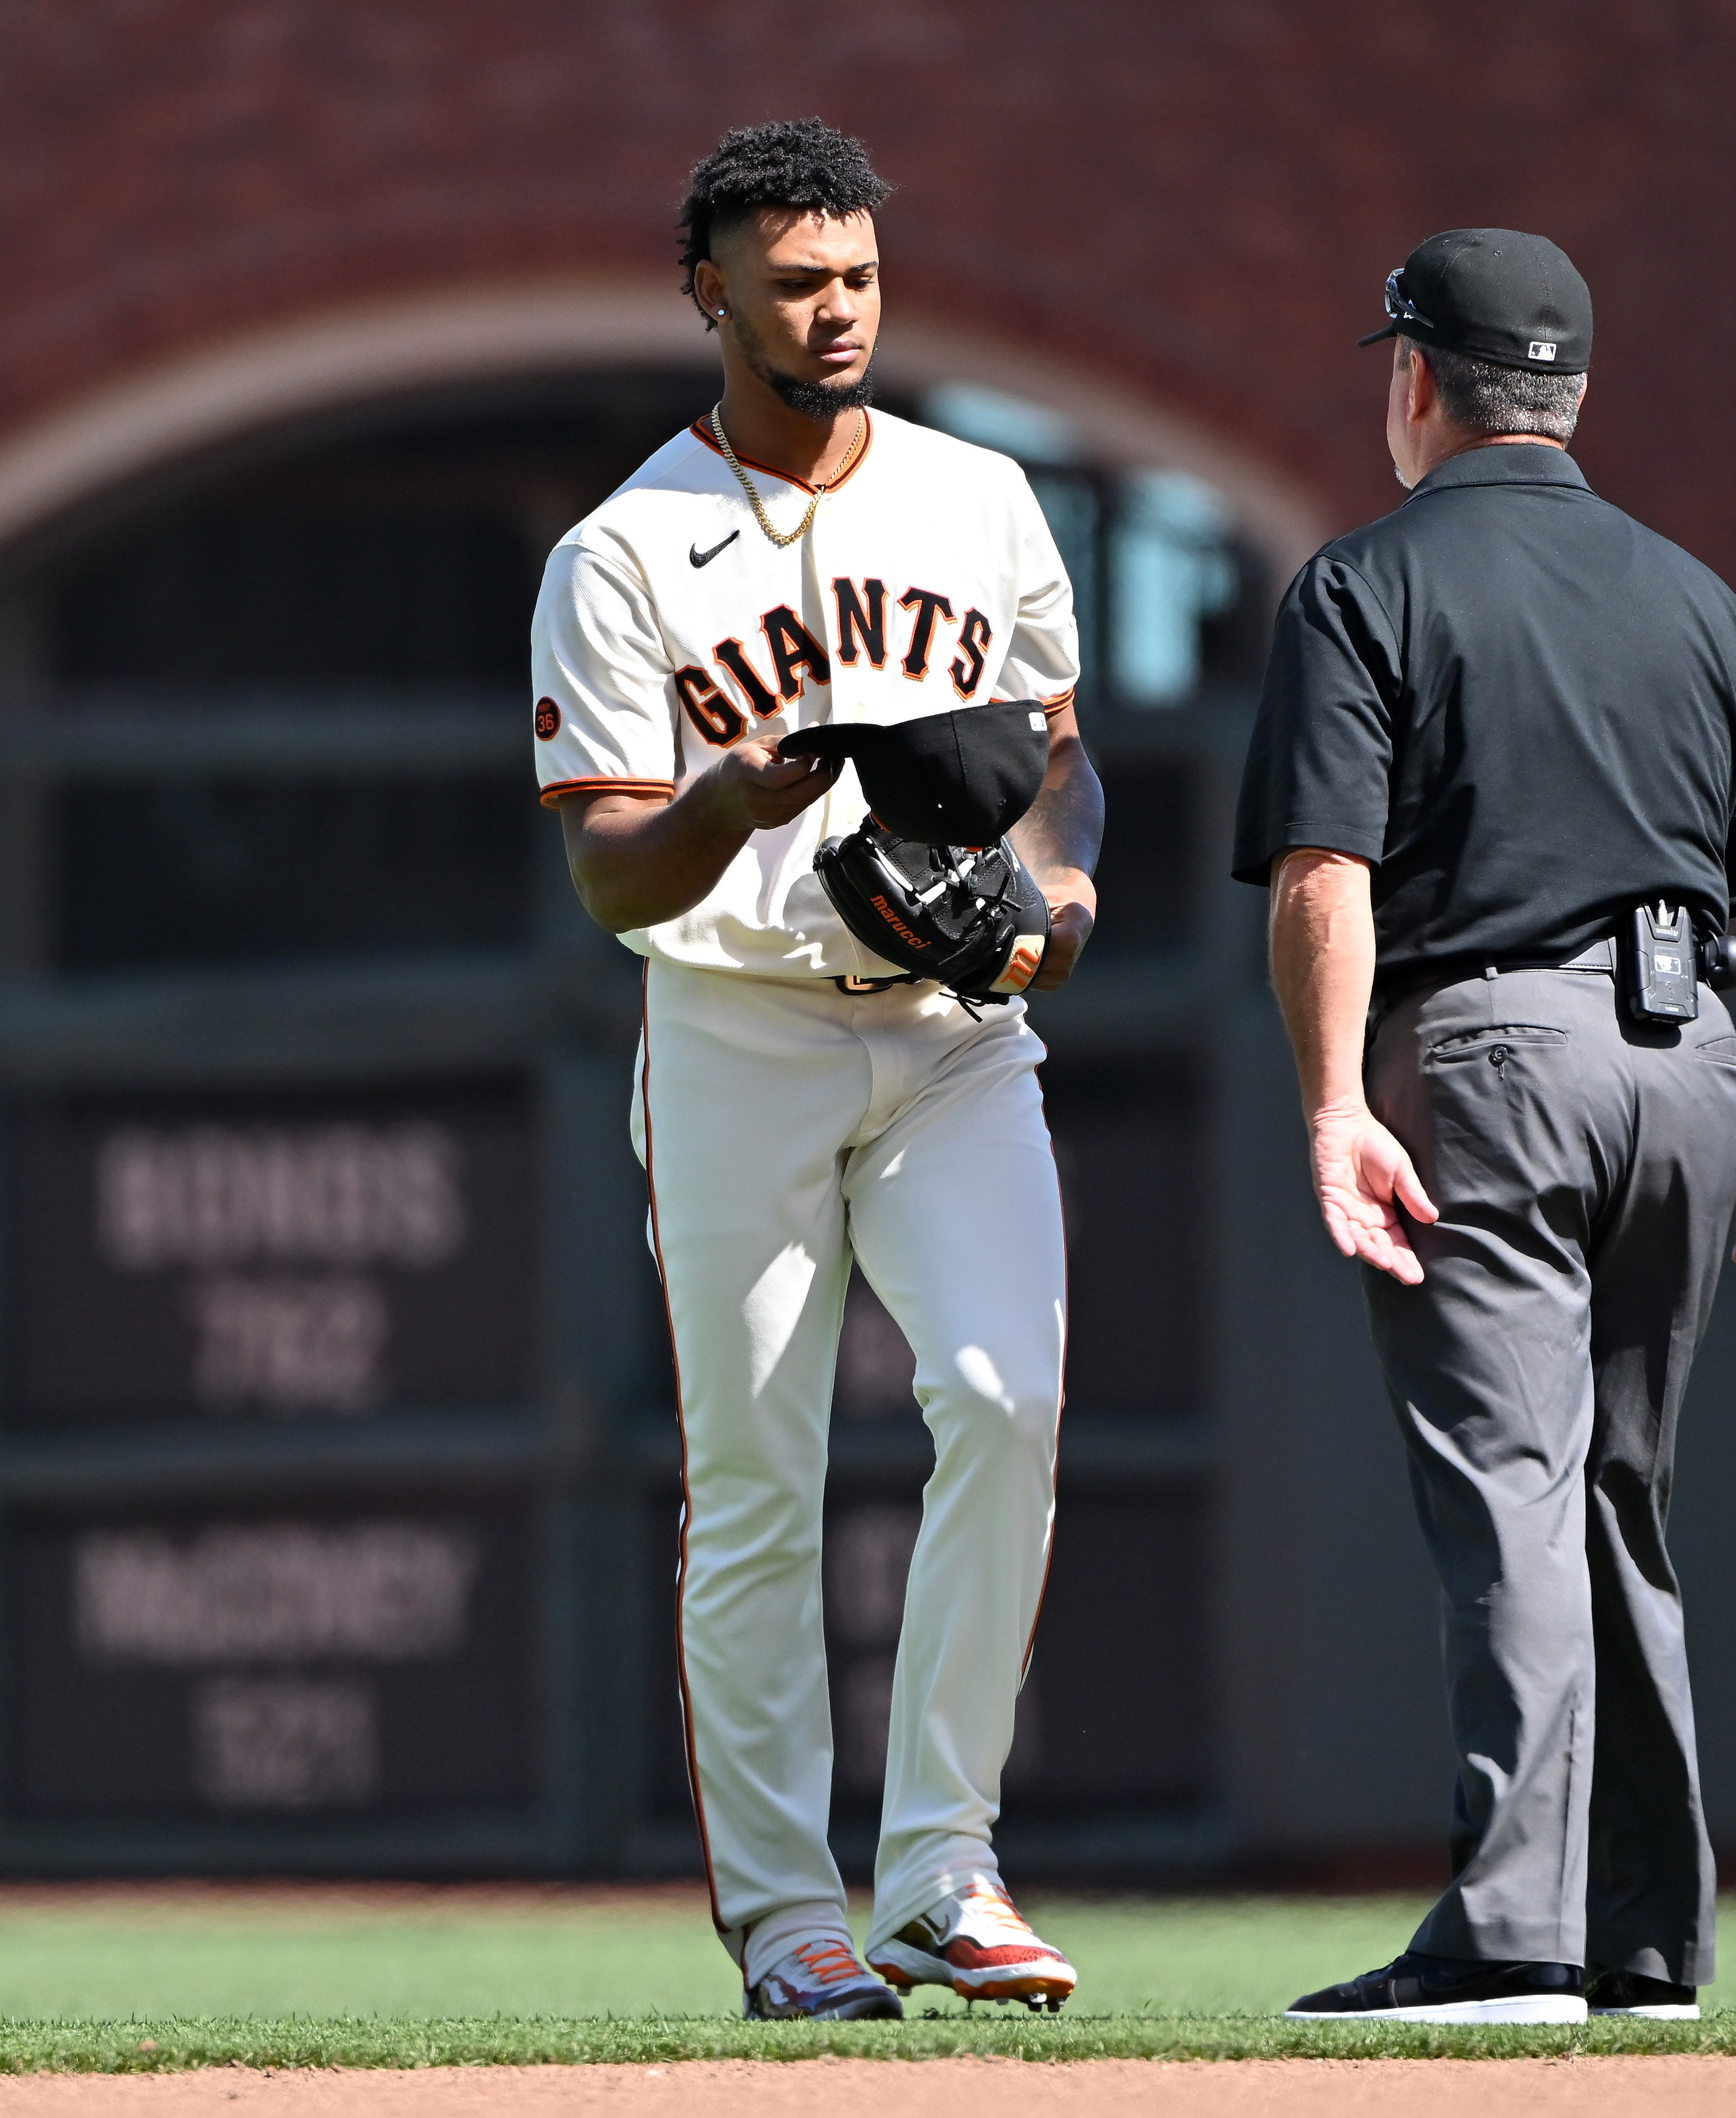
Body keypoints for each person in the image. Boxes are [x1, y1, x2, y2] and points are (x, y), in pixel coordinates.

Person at [1234, 230, 1736, 2025]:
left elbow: (1322, 872)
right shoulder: (1702, 601)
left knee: (1510, 1484)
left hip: (1486, 1047)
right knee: (1614, 1494)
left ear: (1413, 376)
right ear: (1571, 393)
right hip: (1692, 1054)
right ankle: (1643, 1934)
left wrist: (1335, 1097)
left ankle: (1513, 1930)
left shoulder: (1361, 583)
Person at [529, 118, 1102, 2021]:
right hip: (737, 1020)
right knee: (761, 1476)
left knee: (1003, 1398)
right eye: (793, 278)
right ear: (707, 290)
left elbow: (1053, 749)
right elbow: (612, 873)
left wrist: (1060, 881)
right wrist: (716, 801)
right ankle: (790, 1917)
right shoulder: (619, 552)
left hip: (949, 1031)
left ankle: (945, 1867)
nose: (835, 306)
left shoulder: (977, 496)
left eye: (855, 273)